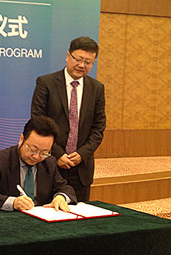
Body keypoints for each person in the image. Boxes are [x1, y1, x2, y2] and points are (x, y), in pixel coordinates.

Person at [31, 36, 106, 202]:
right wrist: (58, 153)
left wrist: (82, 154)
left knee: (80, 215)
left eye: (88, 62)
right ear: (67, 56)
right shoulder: (46, 83)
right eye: (78, 59)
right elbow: (38, 122)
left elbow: (98, 128)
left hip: (81, 167)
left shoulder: (97, 88)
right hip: (50, 161)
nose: (81, 65)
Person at [0, 116, 77, 211]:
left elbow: (65, 188)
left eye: (44, 152)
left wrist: (60, 197)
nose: (36, 156)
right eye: (32, 149)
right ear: (21, 139)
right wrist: (13, 203)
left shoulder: (49, 162)